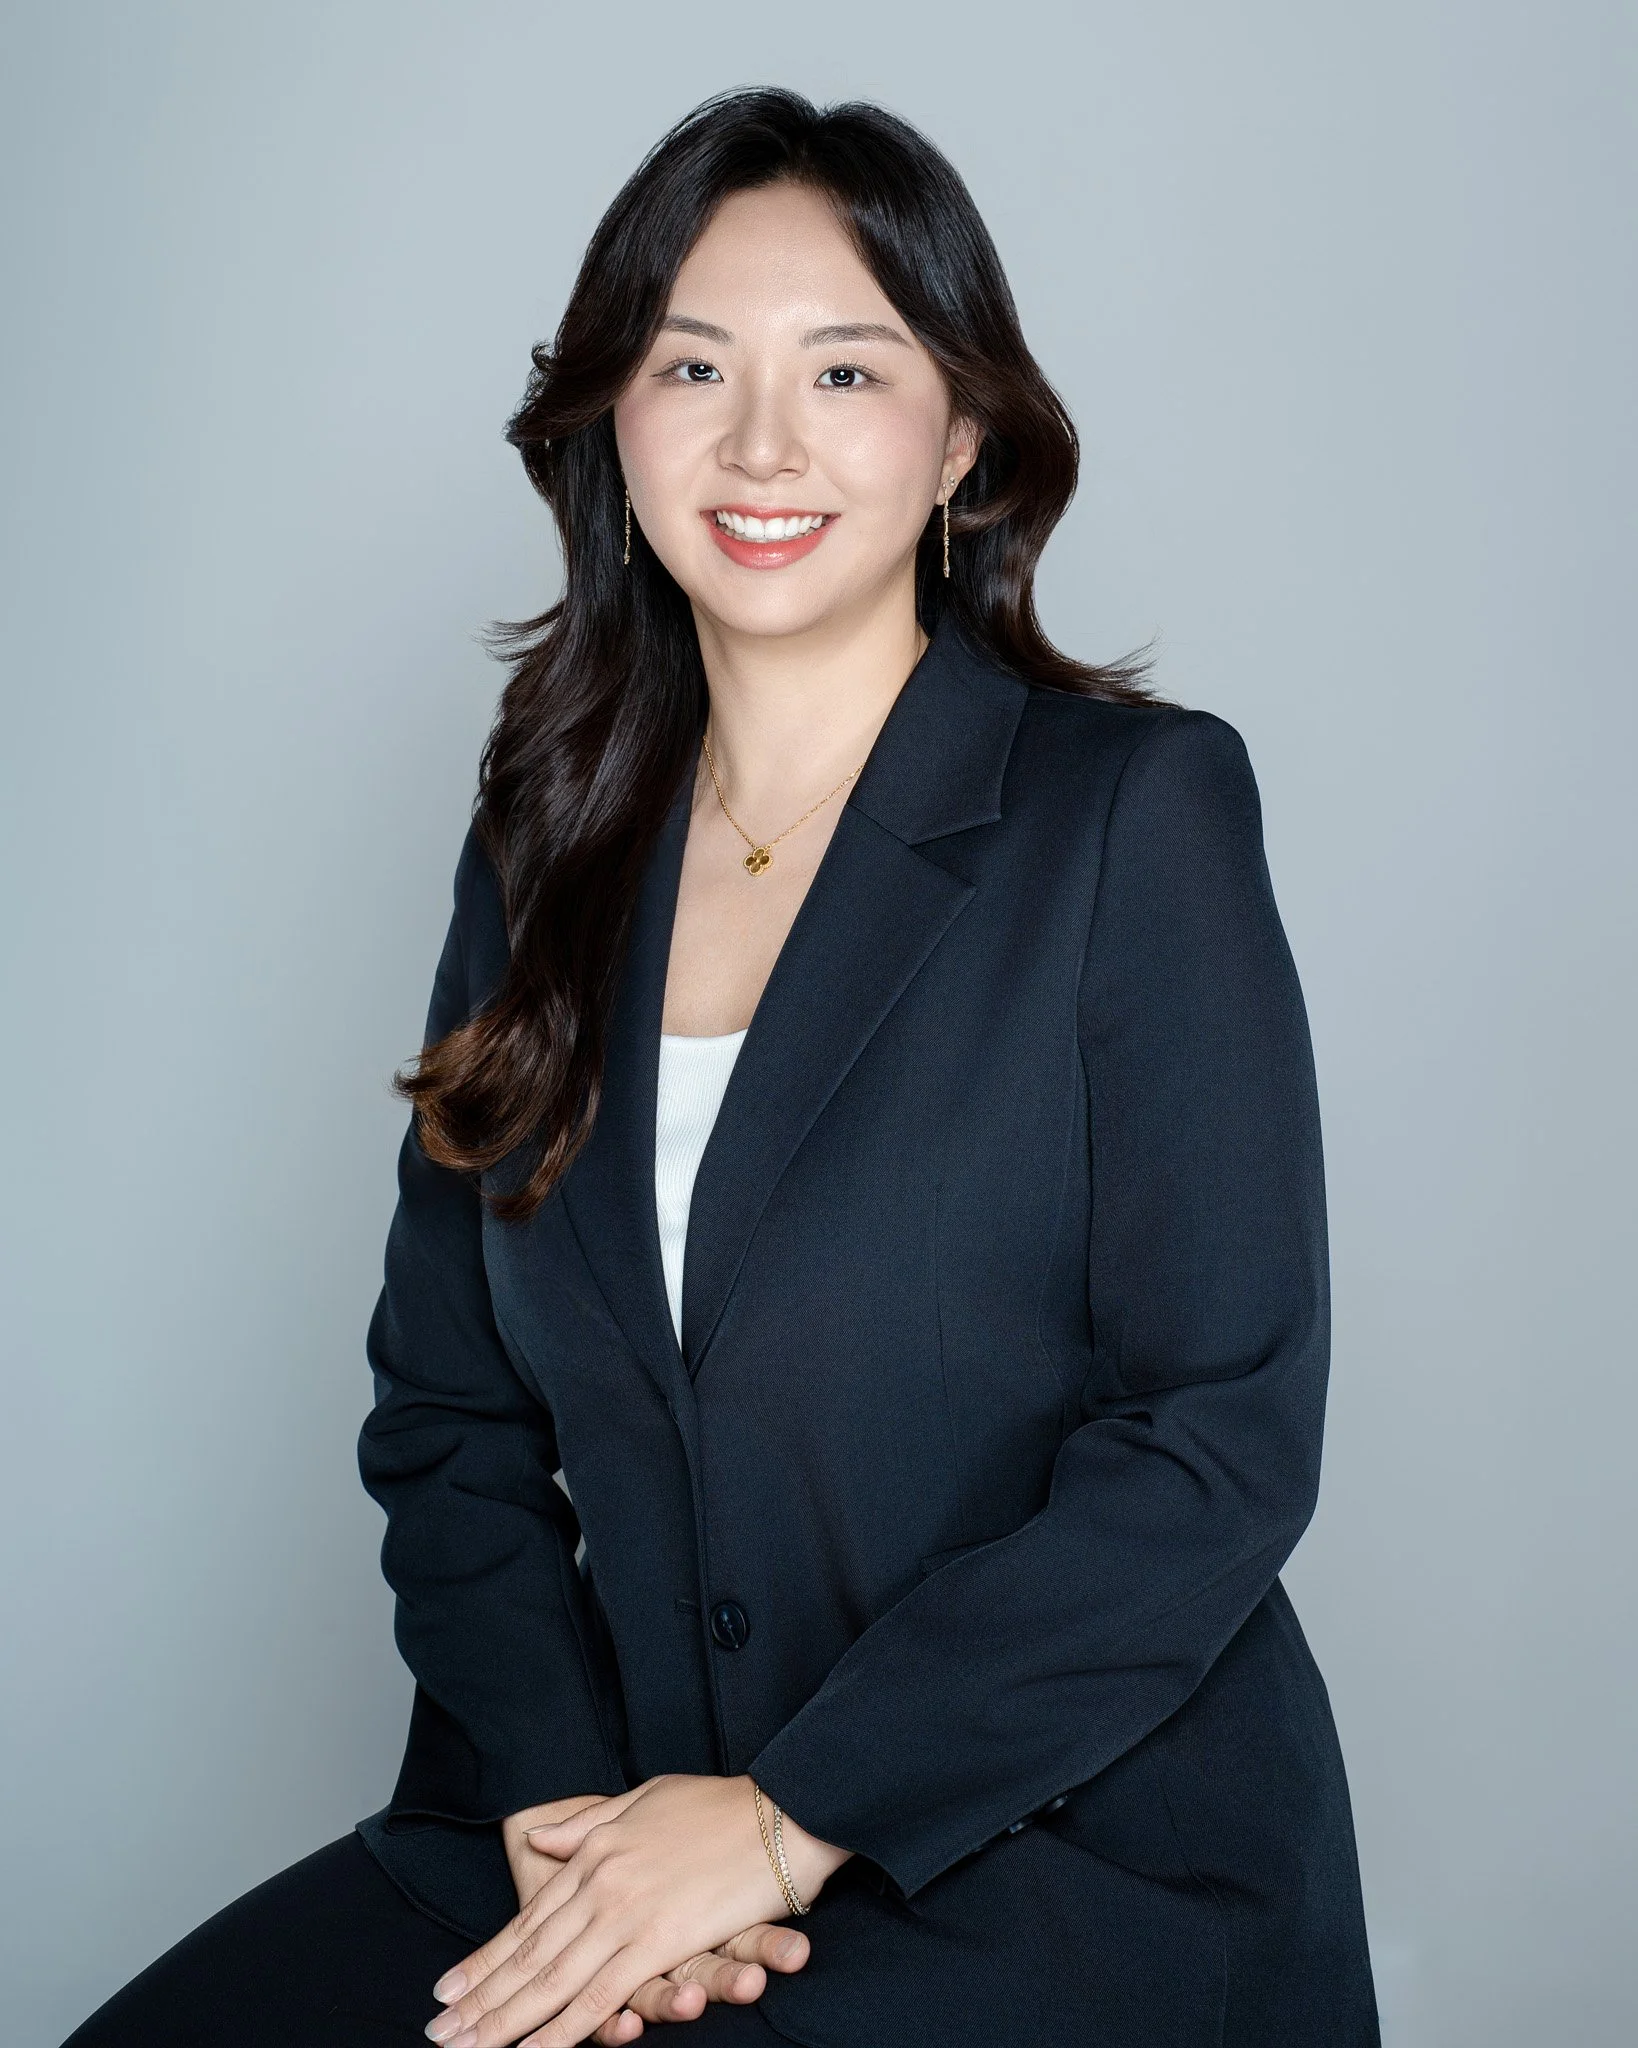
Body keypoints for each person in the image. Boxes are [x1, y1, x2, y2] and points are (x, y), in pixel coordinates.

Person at [66, 86, 1379, 2048]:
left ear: (963, 436)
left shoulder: (1132, 817)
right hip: (604, 1810)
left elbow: (1216, 1439)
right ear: (614, 417)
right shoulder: (547, 846)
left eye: (845, 370)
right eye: (694, 366)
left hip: (1035, 1846)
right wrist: (564, 1820)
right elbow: (448, 1413)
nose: (762, 442)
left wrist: (779, 1823)